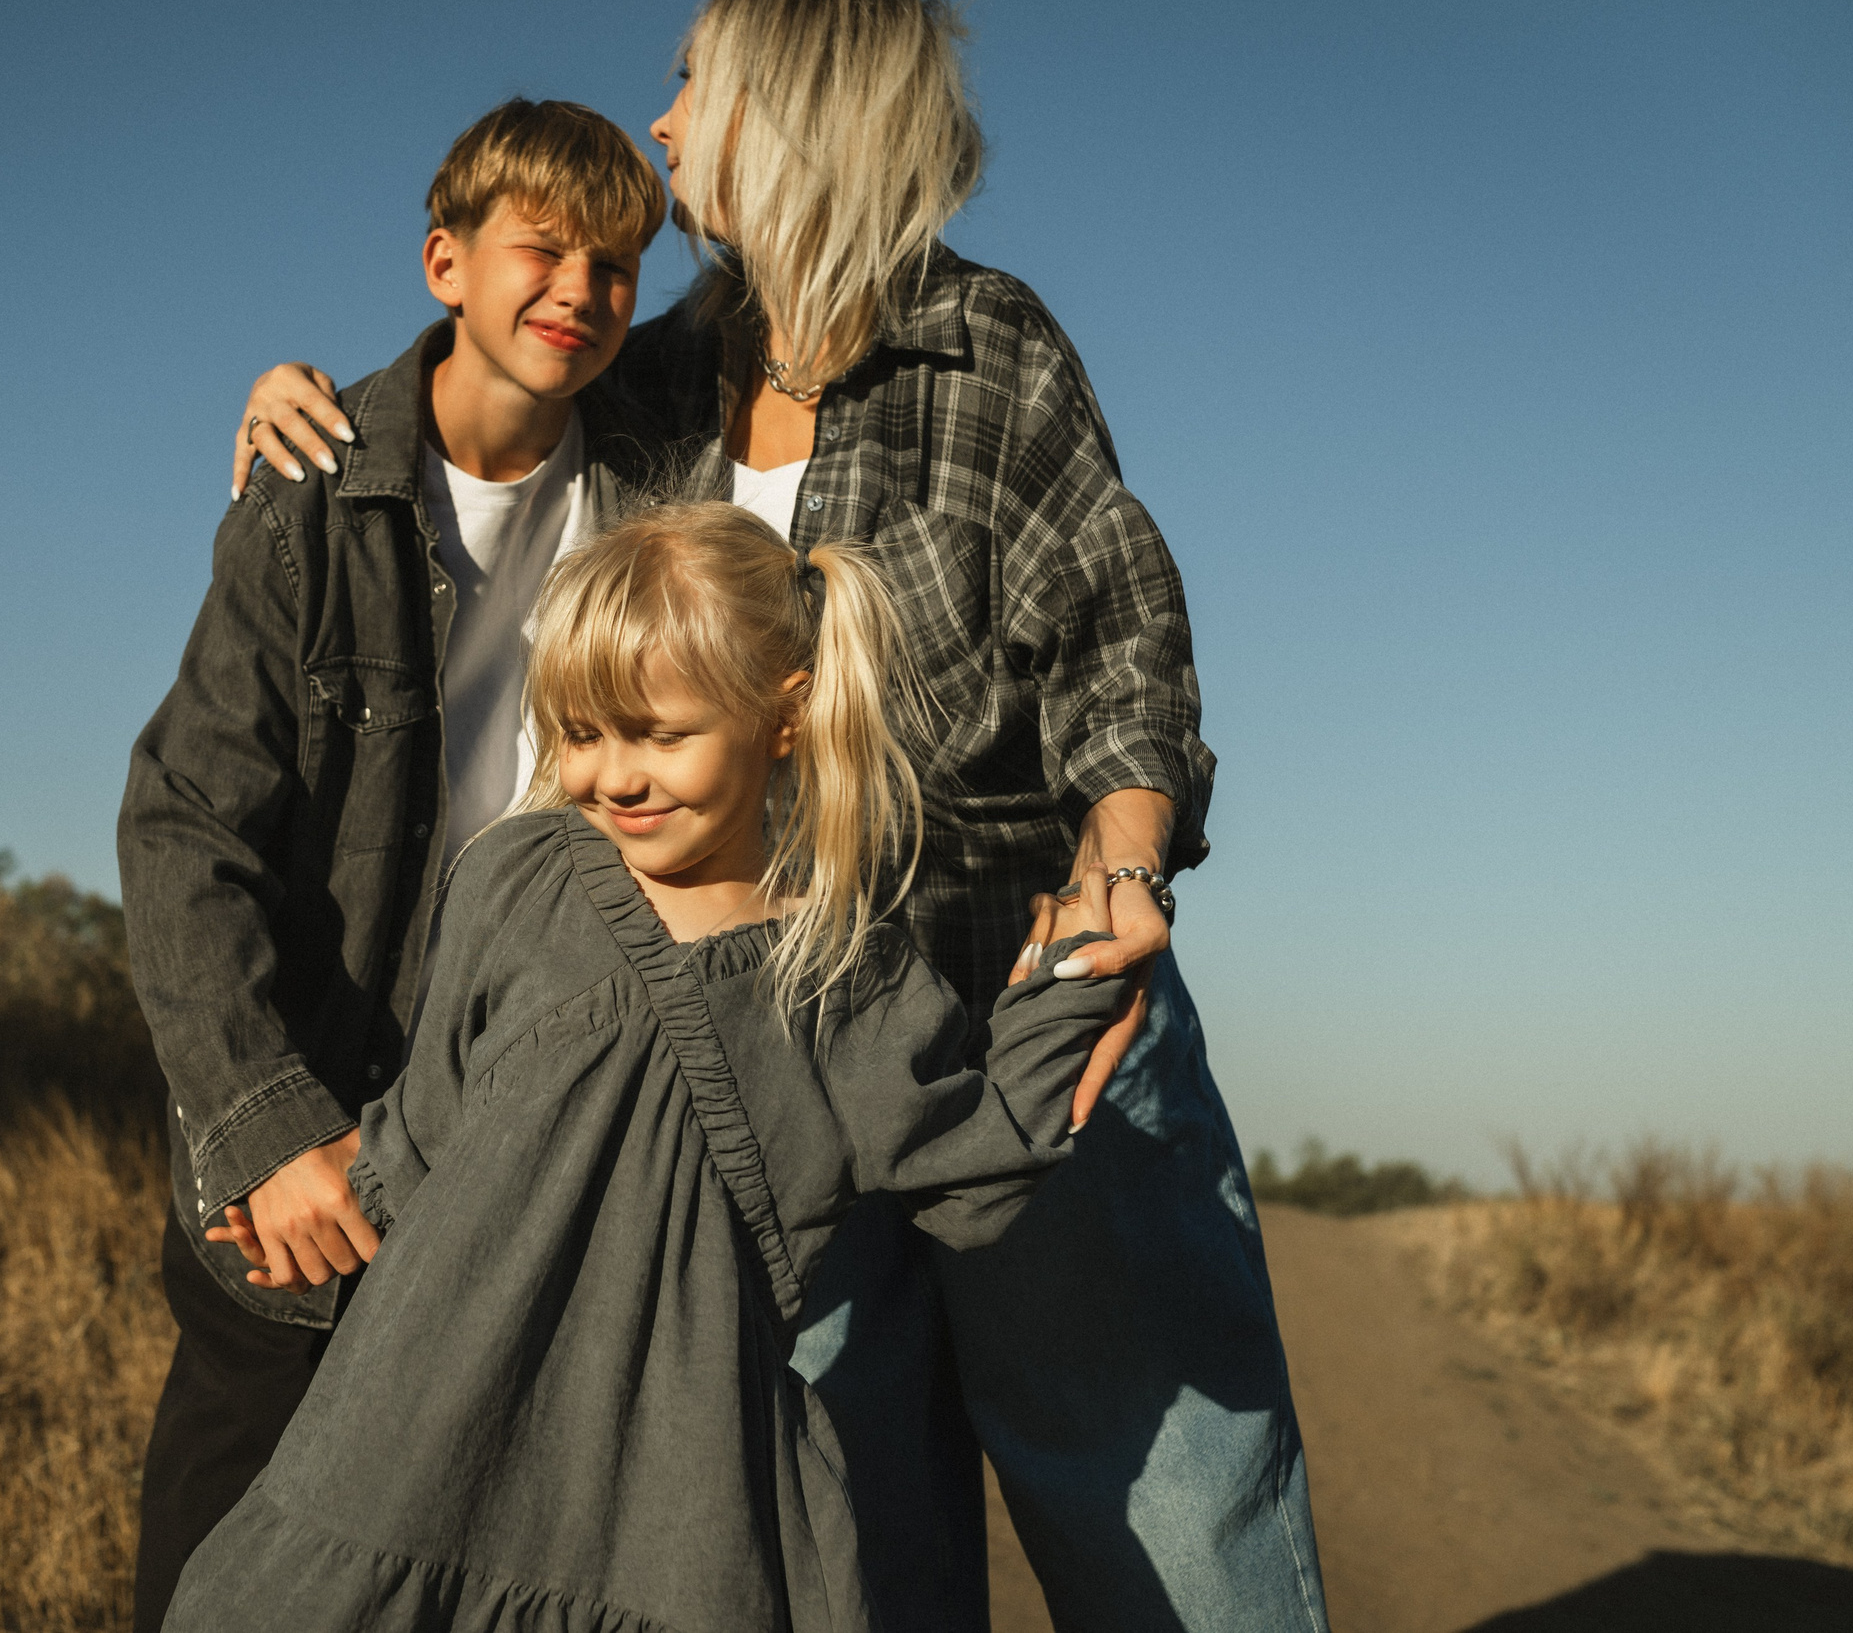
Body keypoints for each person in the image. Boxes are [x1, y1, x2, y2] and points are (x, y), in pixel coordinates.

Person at [230, 0, 1332, 1633]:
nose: (659, 119)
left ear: (793, 112)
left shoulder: (989, 347)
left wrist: (1123, 867)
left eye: (691, 82)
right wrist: (327, 412)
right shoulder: (655, 380)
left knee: (1174, 1519)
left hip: (1025, 995)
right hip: (775, 1030)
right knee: (832, 1533)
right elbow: (484, 403)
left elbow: (1116, 627)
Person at [167, 503, 1132, 1633]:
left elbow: (976, 1170)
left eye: (657, 735)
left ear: (787, 714)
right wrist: (319, 1206)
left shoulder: (843, 975)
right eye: (579, 734)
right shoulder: (515, 878)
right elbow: (423, 1125)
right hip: (417, 1432)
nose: (611, 776)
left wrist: (1075, 980)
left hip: (674, 1506)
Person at [114, 97, 671, 1633]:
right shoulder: (314, 495)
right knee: (233, 1551)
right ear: (445, 261)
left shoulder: (644, 497)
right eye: (540, 249)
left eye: (617, 266)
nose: (579, 289)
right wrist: (266, 1123)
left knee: (467, 1550)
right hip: (308, 1127)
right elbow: (181, 827)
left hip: (509, 1121)